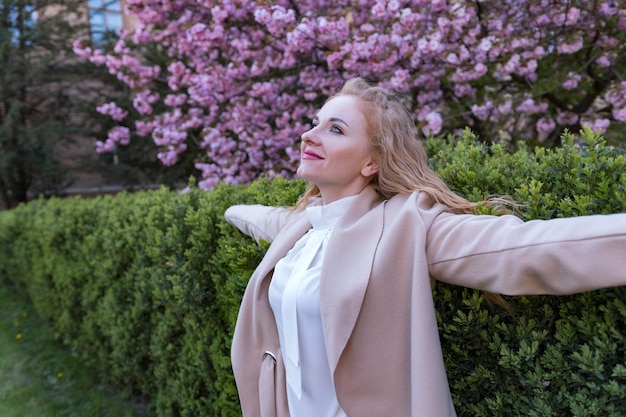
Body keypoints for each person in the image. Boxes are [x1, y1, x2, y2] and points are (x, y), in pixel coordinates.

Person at [224, 77, 626, 417]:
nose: (308, 135)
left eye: (336, 129)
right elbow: (263, 219)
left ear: (371, 163)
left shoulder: (404, 226)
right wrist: (229, 209)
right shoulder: (302, 225)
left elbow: (516, 248)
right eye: (315, 123)